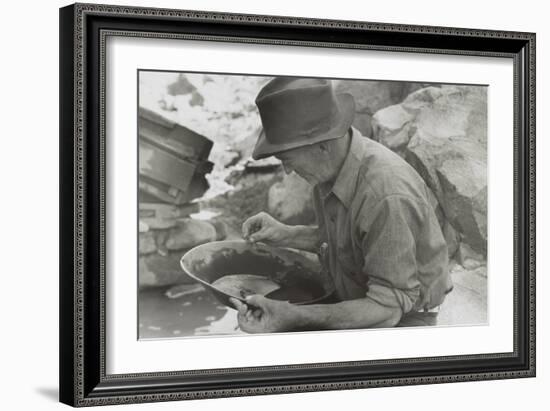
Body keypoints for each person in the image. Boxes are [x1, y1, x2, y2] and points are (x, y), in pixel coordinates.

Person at [230, 77, 453, 333]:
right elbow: (346, 242)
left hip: (403, 320)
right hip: (360, 296)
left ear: (322, 146)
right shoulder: (329, 168)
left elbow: (387, 309)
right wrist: (286, 234)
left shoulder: (386, 195)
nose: (288, 171)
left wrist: (293, 315)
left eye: (287, 159)